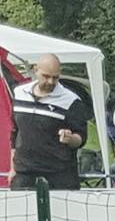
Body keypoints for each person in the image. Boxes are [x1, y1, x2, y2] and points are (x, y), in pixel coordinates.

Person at [9, 53, 87, 190]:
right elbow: (15, 133)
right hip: (24, 175)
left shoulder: (71, 101)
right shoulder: (19, 93)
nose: (51, 82)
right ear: (35, 70)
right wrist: (12, 168)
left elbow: (82, 137)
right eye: (46, 76)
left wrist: (71, 139)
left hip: (59, 177)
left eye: (55, 77)